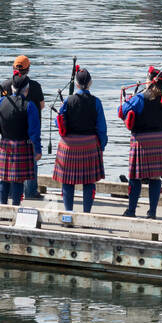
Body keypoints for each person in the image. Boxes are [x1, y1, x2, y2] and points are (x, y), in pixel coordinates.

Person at [118, 67, 162, 219]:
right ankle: (152, 213)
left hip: (142, 141)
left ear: (149, 80)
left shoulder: (141, 98)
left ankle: (131, 211)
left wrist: (125, 101)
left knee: (135, 178)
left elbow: (121, 111)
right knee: (155, 178)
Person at [0, 55, 41, 206]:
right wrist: (37, 149)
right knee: (18, 181)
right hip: (22, 144)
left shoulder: (0, 102)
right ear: (26, 88)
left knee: (4, 179)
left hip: (5, 144)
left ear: (12, 88)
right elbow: (34, 131)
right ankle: (15, 207)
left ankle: (3, 207)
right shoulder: (30, 106)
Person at [54, 67, 108, 213]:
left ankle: (68, 213)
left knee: (67, 181)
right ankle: (86, 214)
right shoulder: (96, 102)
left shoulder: (68, 100)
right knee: (88, 181)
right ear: (90, 83)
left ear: (76, 84)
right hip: (89, 144)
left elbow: (57, 122)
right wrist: (101, 146)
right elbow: (102, 128)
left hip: (68, 145)